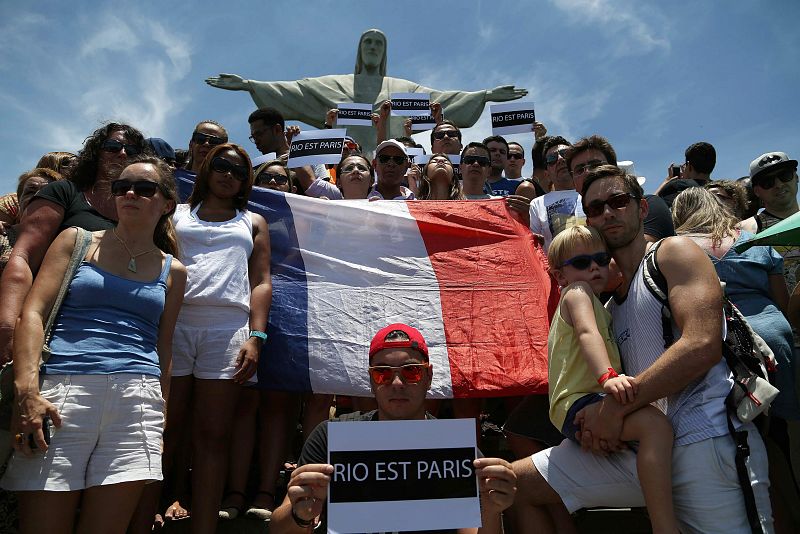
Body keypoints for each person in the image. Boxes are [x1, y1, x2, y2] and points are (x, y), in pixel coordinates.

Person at [513, 164, 773, 533]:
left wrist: (611, 410)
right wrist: (598, 423)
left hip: (706, 443)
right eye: (595, 207)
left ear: (643, 208)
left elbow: (701, 345)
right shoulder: (605, 304)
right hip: (640, 450)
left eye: (618, 200)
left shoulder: (673, 252)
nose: (607, 212)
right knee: (506, 485)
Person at [1, 157, 186, 534]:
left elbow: (163, 347)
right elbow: (33, 314)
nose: (130, 193)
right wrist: (27, 391)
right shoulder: (76, 240)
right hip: (62, 393)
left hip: (139, 400)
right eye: (121, 187)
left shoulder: (175, 270)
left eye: (144, 188)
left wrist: (161, 414)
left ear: (167, 203)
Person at [270, 323, 517, 534]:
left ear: (428, 377)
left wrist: (491, 509)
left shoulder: (455, 448)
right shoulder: (330, 437)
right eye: (382, 374)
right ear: (370, 381)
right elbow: (278, 529)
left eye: (411, 372)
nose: (397, 383)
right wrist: (300, 514)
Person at [162, 143, 272, 534]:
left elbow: (261, 282)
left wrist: (256, 336)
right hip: (173, 325)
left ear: (247, 181)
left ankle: (204, 526)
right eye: (222, 165)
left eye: (239, 171)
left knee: (213, 435)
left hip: (227, 332)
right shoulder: (173, 214)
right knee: (164, 429)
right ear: (206, 168)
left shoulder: (253, 221)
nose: (229, 174)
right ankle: (146, 516)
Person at [546, 225, 678, 533]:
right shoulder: (576, 294)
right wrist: (608, 377)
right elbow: (587, 333)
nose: (594, 267)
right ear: (560, 276)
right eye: (581, 263)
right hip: (580, 399)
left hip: (584, 400)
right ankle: (664, 526)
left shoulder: (601, 305)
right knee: (656, 427)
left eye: (601, 259)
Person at [206, 28, 527, 155]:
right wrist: (250, 84)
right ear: (361, 50)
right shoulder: (339, 86)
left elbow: (442, 101)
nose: (373, 47)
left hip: (396, 163)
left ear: (383, 52)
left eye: (378, 44)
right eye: (368, 43)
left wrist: (484, 95)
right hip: (350, 163)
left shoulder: (400, 89)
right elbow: (298, 91)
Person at [0, 123, 145, 365]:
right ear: (96, 153)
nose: (122, 154)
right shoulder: (65, 192)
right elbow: (23, 257)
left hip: (115, 335)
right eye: (112, 147)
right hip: (52, 326)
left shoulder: (144, 208)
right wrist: (7, 326)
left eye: (131, 151)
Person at [0, 169, 62, 275]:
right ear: (19, 201)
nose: (37, 196)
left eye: (48, 192)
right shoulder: (2, 236)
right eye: (30, 191)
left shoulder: (69, 243)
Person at [528, 136, 584, 250]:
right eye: (552, 159)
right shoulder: (536, 204)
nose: (560, 159)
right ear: (546, 173)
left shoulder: (593, 194)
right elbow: (534, 247)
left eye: (565, 154)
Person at [656, 141, 716, 207]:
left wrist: (666, 181)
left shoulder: (677, 186)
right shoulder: (720, 189)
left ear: (689, 165)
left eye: (684, 165)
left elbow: (651, 206)